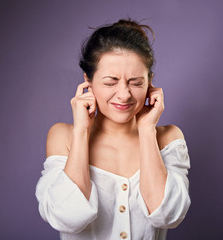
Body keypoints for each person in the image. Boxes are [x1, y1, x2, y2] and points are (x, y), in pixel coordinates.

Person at [35, 18, 191, 240]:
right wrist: (81, 131)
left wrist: (147, 130)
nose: (124, 94)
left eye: (136, 82)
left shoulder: (168, 138)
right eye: (111, 82)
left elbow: (167, 216)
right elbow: (67, 217)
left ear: (150, 82)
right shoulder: (64, 136)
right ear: (87, 81)